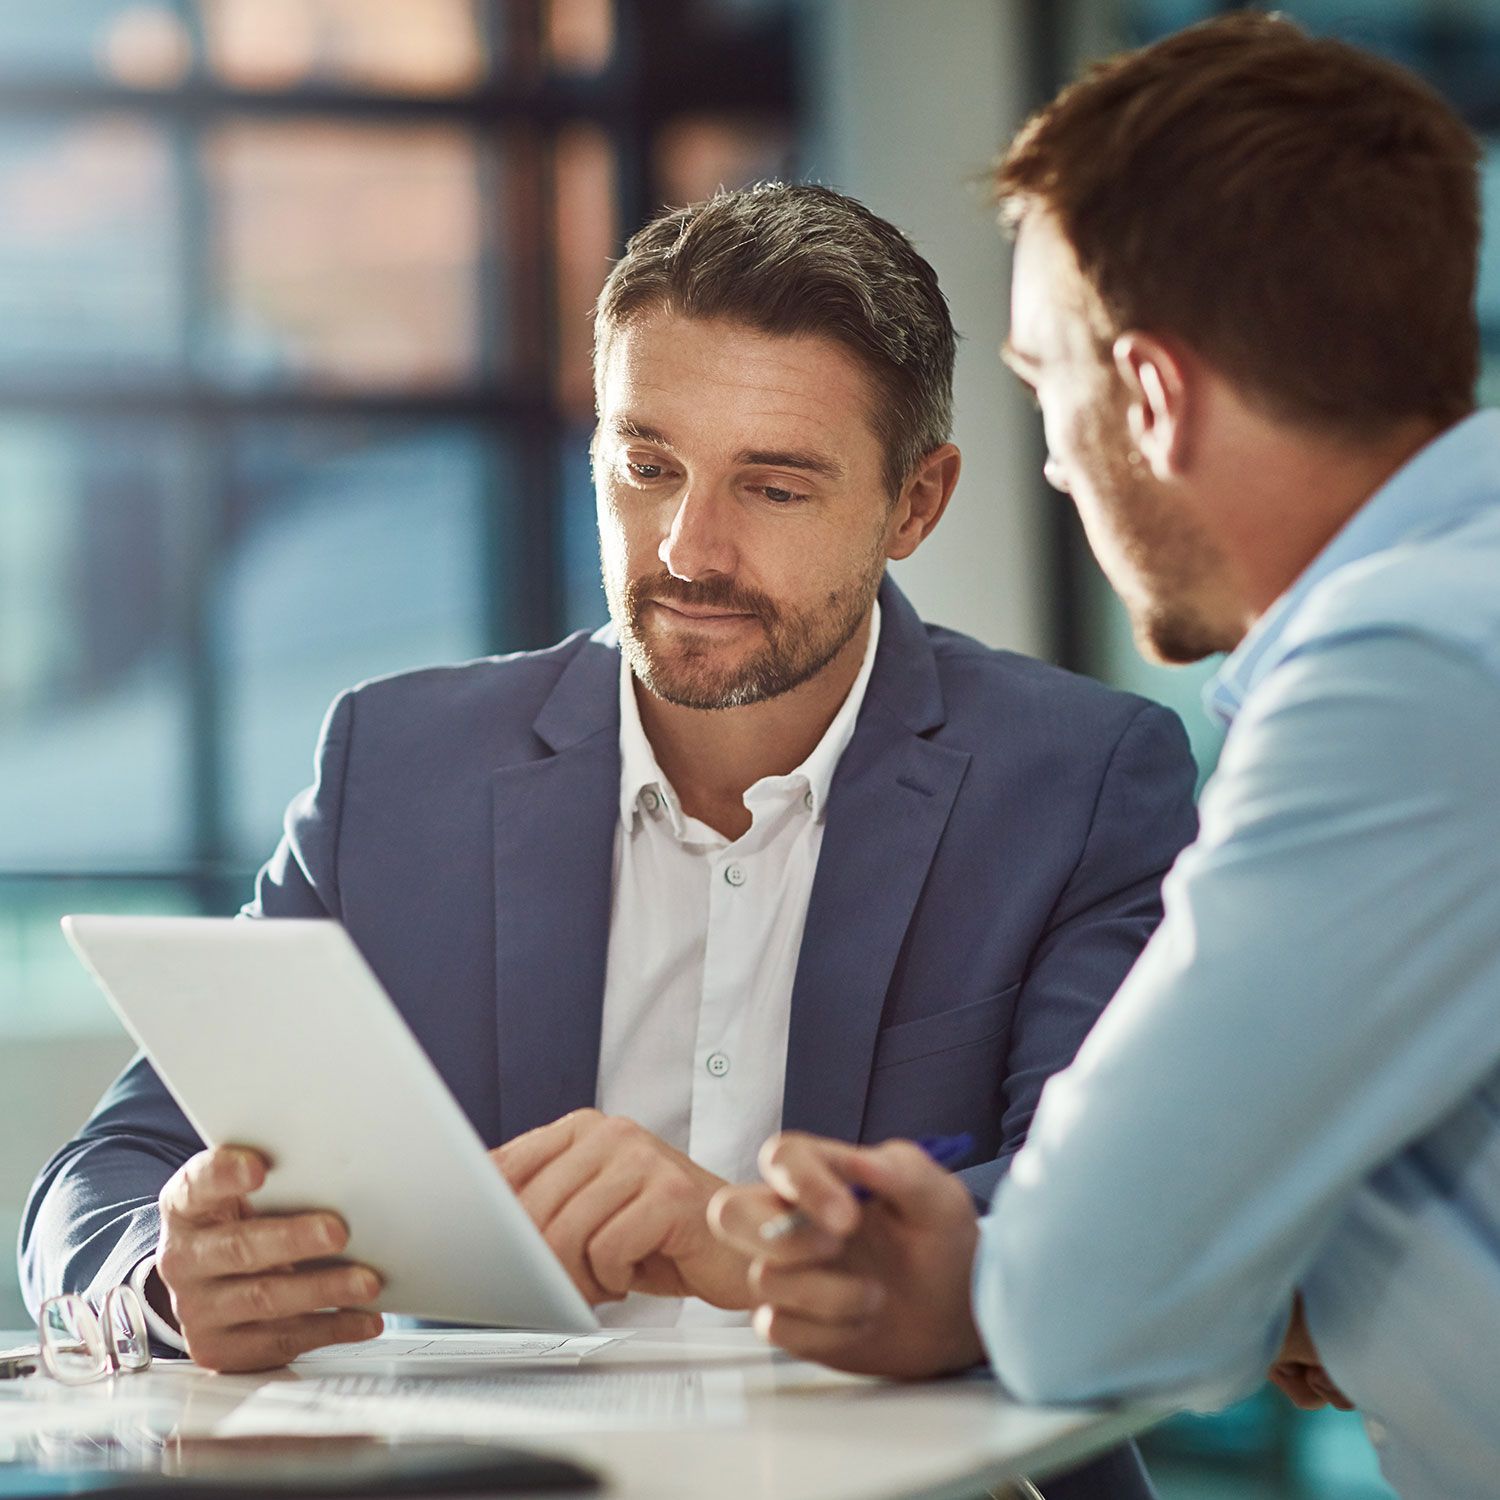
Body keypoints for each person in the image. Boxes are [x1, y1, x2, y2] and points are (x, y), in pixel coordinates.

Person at [23, 180, 1195, 1498]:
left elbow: (1104, 1230)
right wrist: (171, 1281)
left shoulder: (1081, 779)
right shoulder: (399, 768)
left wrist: (742, 1238)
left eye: (774, 486)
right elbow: (110, 1172)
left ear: (915, 505)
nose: (690, 550)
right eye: (647, 467)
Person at [708, 17, 1500, 1499]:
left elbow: (1093, 1300)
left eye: (1043, 383)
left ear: (1150, 394)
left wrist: (1019, 1275)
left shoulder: (1400, 673)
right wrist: (1288, 1276)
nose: (1057, 459)